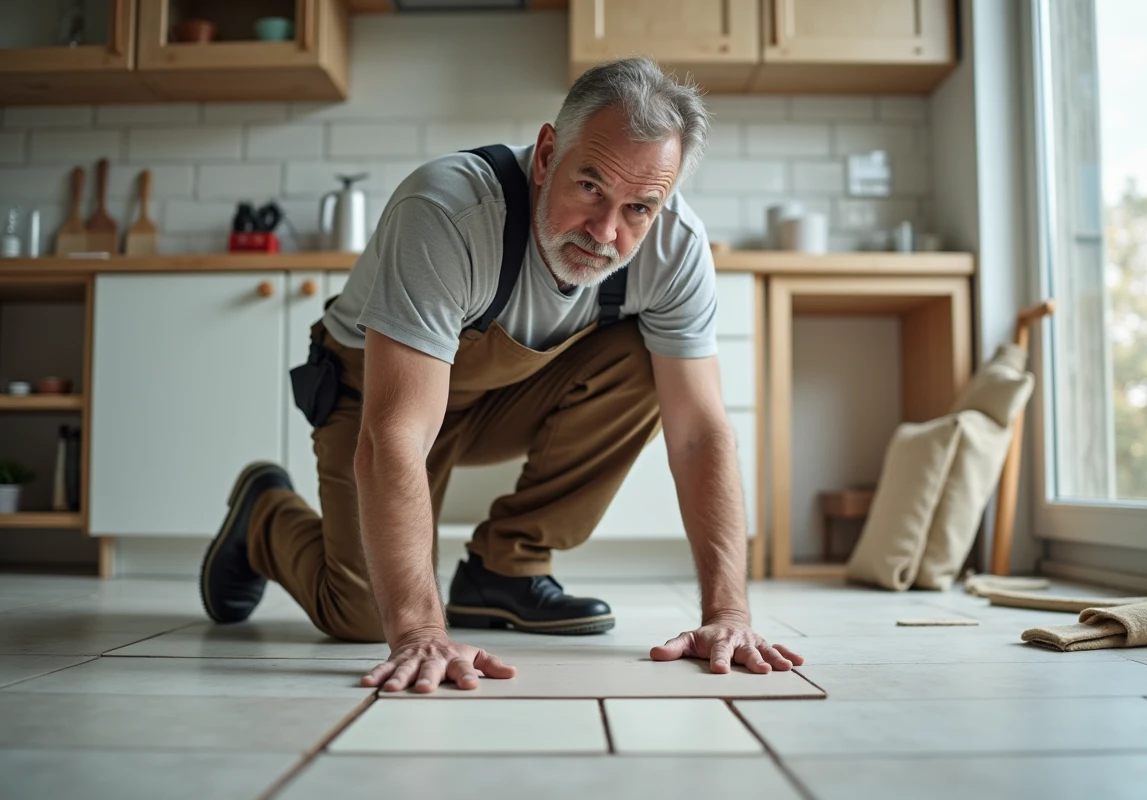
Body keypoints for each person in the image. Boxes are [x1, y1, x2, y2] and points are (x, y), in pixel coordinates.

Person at [199, 56, 803, 694]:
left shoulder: (676, 246)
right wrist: (419, 631)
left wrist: (728, 614)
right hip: (378, 393)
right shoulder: (448, 211)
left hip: (507, 391)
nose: (606, 232)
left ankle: (503, 570)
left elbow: (699, 435)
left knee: (645, 359)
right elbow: (394, 434)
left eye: (639, 208)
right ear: (547, 154)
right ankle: (264, 514)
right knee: (360, 614)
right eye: (590, 187)